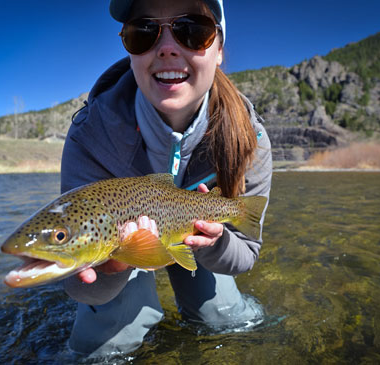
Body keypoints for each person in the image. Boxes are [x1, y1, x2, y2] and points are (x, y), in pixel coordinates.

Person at [60, 0, 272, 359]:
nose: (167, 46)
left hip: (193, 242)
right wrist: (115, 264)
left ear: (219, 49)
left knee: (226, 321)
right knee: (101, 349)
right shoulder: (90, 136)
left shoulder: (250, 139)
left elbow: (246, 253)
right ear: (128, 48)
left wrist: (216, 242)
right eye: (143, 32)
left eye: (193, 30)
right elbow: (78, 285)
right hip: (125, 247)